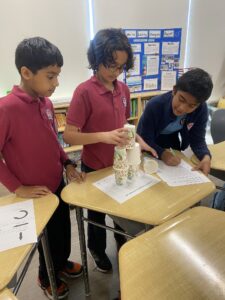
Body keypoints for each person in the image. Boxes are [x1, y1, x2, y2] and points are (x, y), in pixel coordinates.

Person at [63, 28, 156, 273]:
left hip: (120, 163)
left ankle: (120, 238)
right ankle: (97, 250)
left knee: (121, 207)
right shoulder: (84, 91)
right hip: (94, 166)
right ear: (96, 60)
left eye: (121, 67)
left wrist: (140, 141)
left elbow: (126, 127)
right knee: (95, 217)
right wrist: (104, 137)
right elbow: (69, 134)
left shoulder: (123, 90)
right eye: (110, 65)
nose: (116, 72)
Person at [0, 37, 84, 299]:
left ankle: (59, 264)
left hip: (56, 183)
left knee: (62, 231)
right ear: (26, 72)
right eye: (50, 76)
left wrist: (68, 162)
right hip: (32, 193)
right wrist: (17, 187)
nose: (56, 83)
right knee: (45, 240)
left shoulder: (47, 104)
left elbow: (53, 142)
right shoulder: (5, 110)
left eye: (57, 75)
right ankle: (45, 275)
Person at [137, 68, 213, 175]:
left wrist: (205, 156)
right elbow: (145, 138)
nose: (182, 108)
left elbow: (197, 139)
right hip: (149, 140)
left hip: (171, 139)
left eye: (191, 106)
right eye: (181, 99)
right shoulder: (155, 105)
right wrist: (162, 153)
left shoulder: (200, 109)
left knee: (172, 169)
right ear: (174, 90)